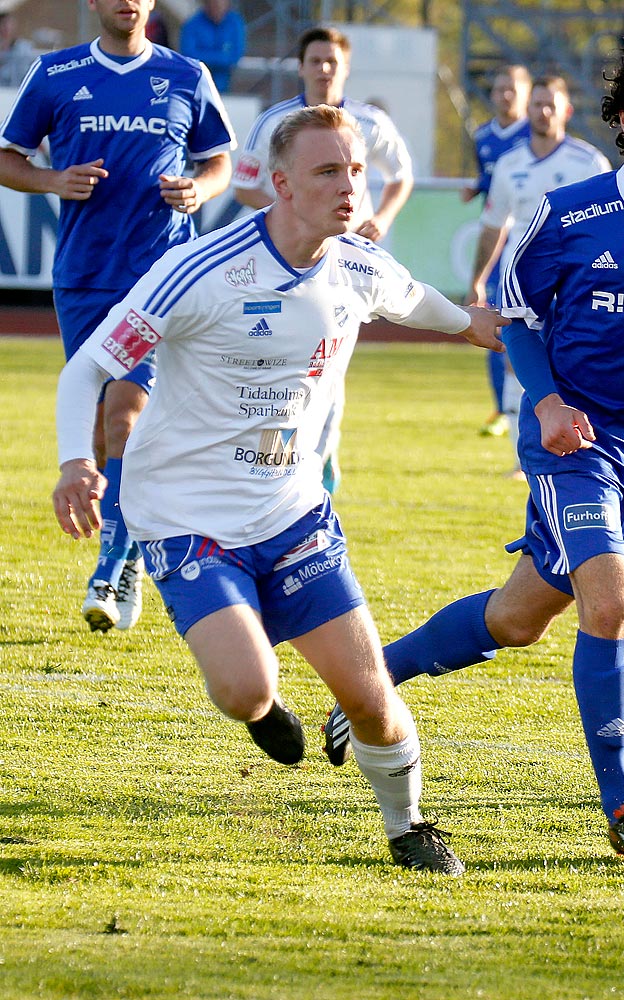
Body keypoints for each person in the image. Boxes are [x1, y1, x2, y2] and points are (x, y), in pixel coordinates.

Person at [324, 29, 624, 861]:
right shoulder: (570, 216)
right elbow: (515, 321)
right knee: (609, 602)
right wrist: (542, 404)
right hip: (568, 445)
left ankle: (375, 674)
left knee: (516, 619)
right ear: (622, 119)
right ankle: (623, 808)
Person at [51, 105, 508, 875]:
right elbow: (87, 368)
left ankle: (409, 826)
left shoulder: (359, 267)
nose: (349, 187)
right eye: (329, 171)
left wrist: (491, 327)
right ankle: (263, 712)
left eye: (356, 170)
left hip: (291, 512)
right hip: (184, 515)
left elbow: (443, 313)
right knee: (242, 688)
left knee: (367, 700)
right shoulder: (197, 271)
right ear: (281, 184)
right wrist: (74, 463)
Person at [0, 0, 235, 634]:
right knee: (104, 432)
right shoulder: (53, 73)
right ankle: (132, 549)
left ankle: (113, 567)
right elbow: (7, 157)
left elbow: (219, 163)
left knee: (123, 420)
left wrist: (200, 189)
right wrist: (52, 181)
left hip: (160, 278)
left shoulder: (187, 74)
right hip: (82, 276)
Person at [232, 25, 415, 495]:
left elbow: (401, 174)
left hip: (346, 261)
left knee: (326, 365)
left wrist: (386, 217)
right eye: (315, 61)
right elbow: (245, 185)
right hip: (285, 259)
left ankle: (319, 475)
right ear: (301, 67)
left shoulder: (369, 122)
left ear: (345, 68)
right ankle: (279, 471)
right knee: (281, 360)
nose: (323, 70)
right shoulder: (273, 122)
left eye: (332, 61)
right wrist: (295, 215)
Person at [467, 74, 610, 476]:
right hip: (522, 281)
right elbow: (494, 224)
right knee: (517, 361)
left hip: (575, 283)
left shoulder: (588, 162)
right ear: (527, 109)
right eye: (537, 104)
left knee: (572, 361)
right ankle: (522, 457)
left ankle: (581, 445)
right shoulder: (510, 164)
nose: (543, 111)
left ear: (565, 110)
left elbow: (604, 230)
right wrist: (479, 279)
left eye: (551, 104)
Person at [461, 64, 532, 440]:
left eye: (512, 90)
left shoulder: (534, 136)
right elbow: (490, 179)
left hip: (530, 244)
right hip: (499, 240)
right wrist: (476, 188)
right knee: (497, 326)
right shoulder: (483, 136)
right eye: (500, 88)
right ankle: (501, 408)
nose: (505, 95)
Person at [179, 0, 245, 94]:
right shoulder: (192, 24)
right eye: (214, 3)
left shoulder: (235, 22)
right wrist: (222, 57)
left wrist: (204, 57)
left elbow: (235, 55)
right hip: (196, 87)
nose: (218, 7)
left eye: (221, 4)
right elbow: (188, 55)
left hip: (224, 87)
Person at [0, 11, 36, 87]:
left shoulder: (24, 47)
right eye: (2, 23)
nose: (6, 28)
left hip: (15, 91)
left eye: (9, 24)